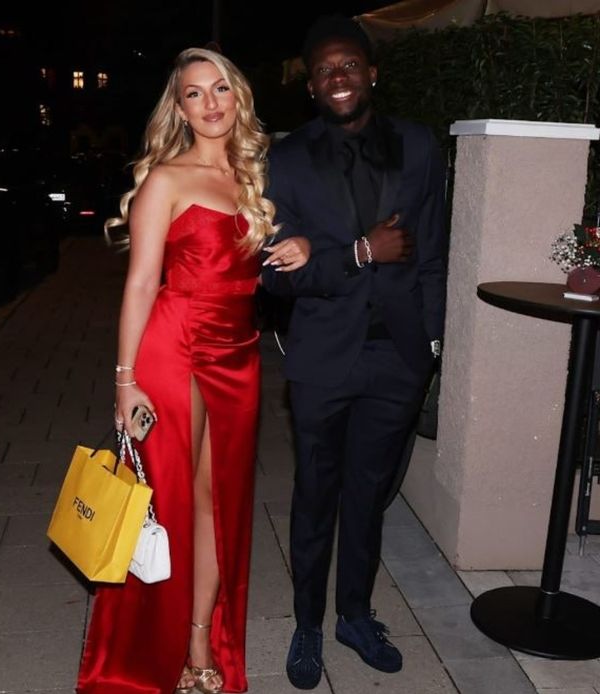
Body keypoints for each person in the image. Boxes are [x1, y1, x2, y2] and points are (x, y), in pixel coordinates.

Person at [76, 47, 309, 694]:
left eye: (220, 89)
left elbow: (276, 247)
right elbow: (141, 283)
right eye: (194, 94)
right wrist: (125, 381)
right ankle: (152, 651)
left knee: (219, 505)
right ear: (178, 109)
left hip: (238, 351)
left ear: (239, 97)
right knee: (170, 503)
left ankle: (200, 639)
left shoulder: (252, 175)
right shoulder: (166, 179)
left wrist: (303, 244)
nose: (210, 104)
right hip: (174, 345)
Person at [262, 16, 447, 690]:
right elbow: (275, 276)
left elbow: (434, 249)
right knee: (316, 494)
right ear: (311, 87)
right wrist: (360, 252)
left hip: (397, 358)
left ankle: (355, 616)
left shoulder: (419, 145)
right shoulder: (285, 161)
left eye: (348, 65)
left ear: (372, 72)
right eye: (323, 71)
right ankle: (308, 624)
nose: (337, 78)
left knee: (368, 497)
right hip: (322, 359)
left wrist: (431, 340)